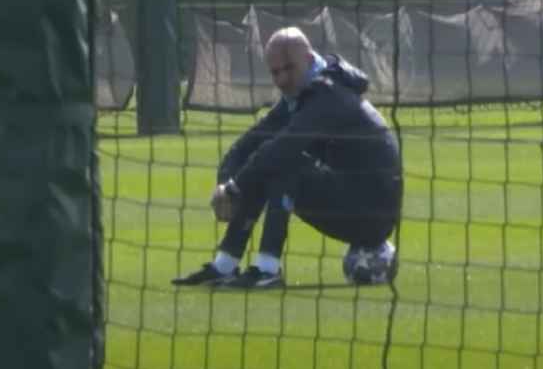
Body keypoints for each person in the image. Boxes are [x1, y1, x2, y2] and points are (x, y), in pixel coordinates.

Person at [172, 26, 403, 289]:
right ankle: (224, 265)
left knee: (282, 161)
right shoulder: (302, 93)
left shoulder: (328, 95)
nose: (281, 79)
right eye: (275, 72)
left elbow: (284, 147)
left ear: (308, 59)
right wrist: (224, 186)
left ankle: (267, 269)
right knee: (265, 158)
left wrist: (236, 188)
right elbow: (247, 145)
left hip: (371, 213)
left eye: (288, 69)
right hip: (350, 198)